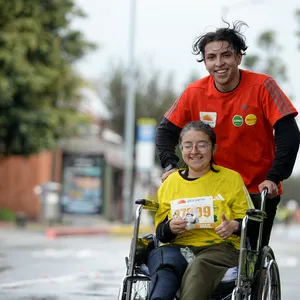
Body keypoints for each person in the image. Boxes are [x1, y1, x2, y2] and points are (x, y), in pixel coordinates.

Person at [155, 20, 300, 249]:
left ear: (239, 57)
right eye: (211, 58)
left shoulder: (263, 86)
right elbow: (165, 131)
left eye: (226, 55)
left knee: (249, 259)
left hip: (256, 190)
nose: (219, 63)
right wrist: (170, 166)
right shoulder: (194, 92)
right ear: (205, 62)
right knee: (199, 252)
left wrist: (274, 177)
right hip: (209, 191)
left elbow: (289, 134)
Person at [147, 121, 254, 300]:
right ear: (181, 149)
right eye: (188, 145)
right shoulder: (171, 183)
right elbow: (161, 233)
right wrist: (170, 227)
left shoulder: (231, 179)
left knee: (198, 266)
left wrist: (234, 226)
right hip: (177, 247)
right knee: (165, 268)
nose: (194, 151)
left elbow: (252, 225)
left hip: (219, 247)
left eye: (202, 145)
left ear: (213, 149)